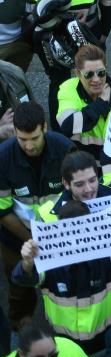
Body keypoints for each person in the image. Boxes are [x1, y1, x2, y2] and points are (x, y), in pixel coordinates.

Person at [13, 200, 111, 356]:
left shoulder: (106, 253)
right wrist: (27, 262)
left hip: (106, 340)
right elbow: (21, 278)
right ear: (60, 229)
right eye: (71, 230)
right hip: (65, 344)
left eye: (82, 229)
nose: (77, 237)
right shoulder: (49, 260)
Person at [0, 102, 74, 328]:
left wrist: (53, 236)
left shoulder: (65, 150)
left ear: (44, 128)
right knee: (19, 282)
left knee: (63, 279)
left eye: (34, 138)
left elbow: (77, 196)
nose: (29, 146)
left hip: (60, 232)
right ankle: (20, 322)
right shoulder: (3, 158)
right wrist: (31, 239)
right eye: (22, 139)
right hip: (16, 235)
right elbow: (2, 211)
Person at [55, 44, 111, 157]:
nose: (96, 79)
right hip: (82, 164)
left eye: (101, 73)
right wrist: (100, 104)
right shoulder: (69, 88)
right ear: (77, 73)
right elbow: (67, 126)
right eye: (89, 75)